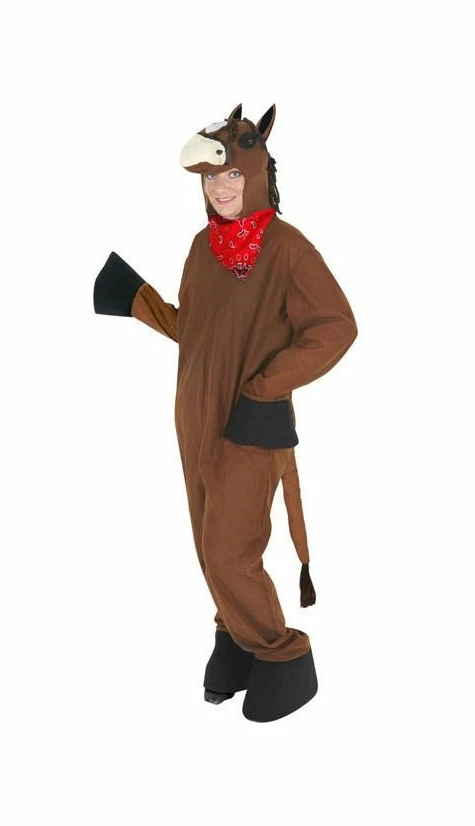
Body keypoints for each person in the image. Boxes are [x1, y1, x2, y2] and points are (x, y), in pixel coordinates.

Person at [93, 103, 358, 722]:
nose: (221, 187)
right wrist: (137, 301)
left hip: (251, 422)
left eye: (232, 174)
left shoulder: (288, 249)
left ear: (256, 173)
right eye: (212, 178)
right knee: (206, 542)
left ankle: (283, 655)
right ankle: (235, 639)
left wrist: (266, 388)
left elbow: (336, 327)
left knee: (229, 551)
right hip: (194, 417)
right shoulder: (201, 248)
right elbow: (197, 330)